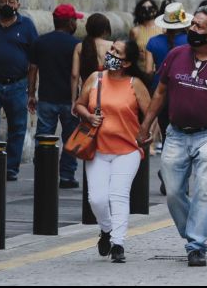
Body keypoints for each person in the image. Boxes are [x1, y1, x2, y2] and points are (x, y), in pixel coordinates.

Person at [139, 6, 207, 268]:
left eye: (199, 27)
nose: (193, 30)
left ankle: (196, 245)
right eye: (193, 24)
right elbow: (160, 93)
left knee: (204, 192)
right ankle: (192, 232)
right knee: (174, 192)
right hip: (175, 134)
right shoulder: (176, 55)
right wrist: (145, 126)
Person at [74, 40, 151, 264]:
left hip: (127, 150)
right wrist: (88, 116)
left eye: (117, 52)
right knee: (96, 199)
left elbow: (149, 114)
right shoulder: (95, 79)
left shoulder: (135, 84)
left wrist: (149, 133)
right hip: (97, 148)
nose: (111, 53)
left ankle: (118, 243)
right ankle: (106, 229)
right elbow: (78, 104)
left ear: (126, 62)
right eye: (111, 49)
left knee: (118, 194)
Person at [0, 0, 39, 182]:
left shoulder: (27, 26)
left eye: (11, 1)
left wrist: (31, 91)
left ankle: (11, 168)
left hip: (17, 84)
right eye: (3, 1)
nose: (7, 5)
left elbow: (34, 62)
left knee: (18, 127)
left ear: (18, 4)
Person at [29, 4, 84, 189]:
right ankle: (67, 175)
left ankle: (44, 173)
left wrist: (31, 93)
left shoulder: (40, 42)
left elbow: (33, 69)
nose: (76, 22)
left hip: (46, 98)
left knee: (44, 137)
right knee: (70, 139)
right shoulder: (76, 44)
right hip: (69, 100)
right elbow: (76, 74)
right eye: (75, 20)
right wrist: (78, 99)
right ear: (69, 22)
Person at [145, 2, 191, 193]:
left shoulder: (153, 42)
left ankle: (167, 174)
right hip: (185, 94)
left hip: (161, 94)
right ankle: (181, 181)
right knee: (185, 138)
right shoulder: (190, 42)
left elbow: (148, 70)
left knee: (167, 137)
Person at [72, 13, 113, 113]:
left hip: (87, 94)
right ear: (105, 30)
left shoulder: (79, 47)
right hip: (108, 93)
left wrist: (74, 100)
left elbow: (74, 75)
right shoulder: (113, 46)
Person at [129, 0, 162, 78]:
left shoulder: (162, 30)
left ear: (155, 10)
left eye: (150, 8)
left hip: (158, 71)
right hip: (140, 71)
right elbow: (130, 51)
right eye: (144, 8)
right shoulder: (135, 31)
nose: (147, 10)